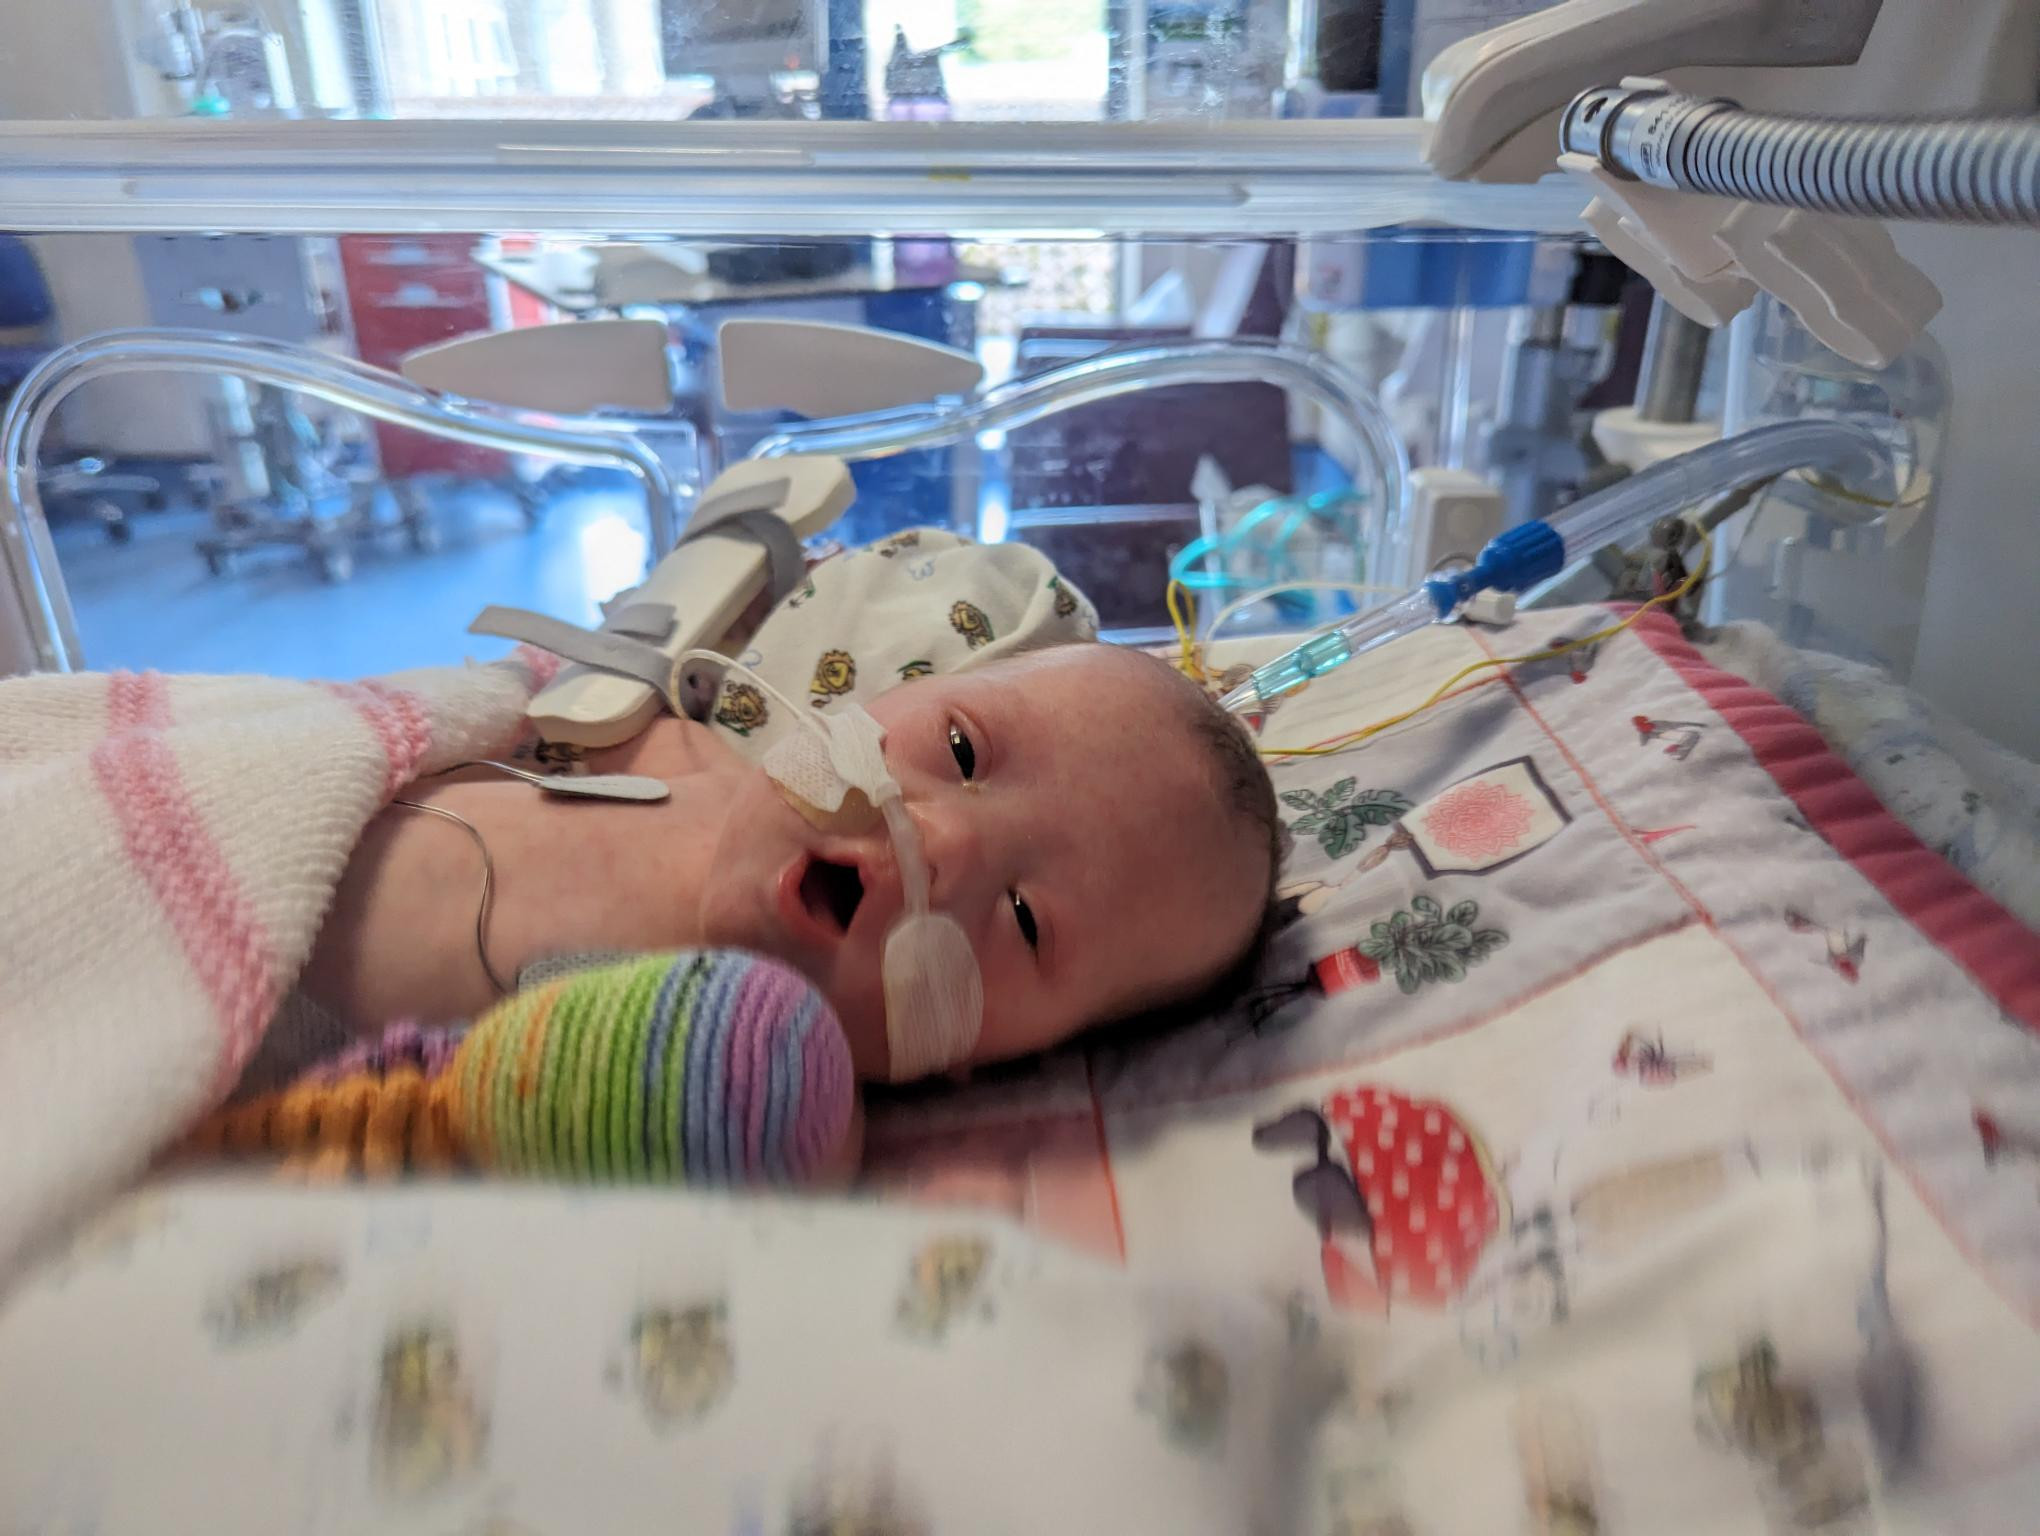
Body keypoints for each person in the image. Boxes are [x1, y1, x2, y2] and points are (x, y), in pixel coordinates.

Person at [302, 639, 1282, 1087]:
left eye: (1027, 922)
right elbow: (510, 706)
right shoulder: (685, 746)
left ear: (1006, 1062)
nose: (946, 844)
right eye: (964, 752)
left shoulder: (747, 1073)